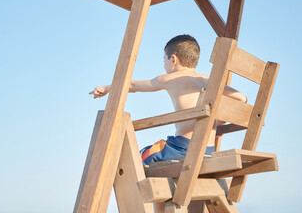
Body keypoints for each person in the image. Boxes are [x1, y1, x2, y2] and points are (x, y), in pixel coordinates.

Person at [89, 35, 247, 165]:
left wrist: (106, 88)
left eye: (163, 60)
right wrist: (217, 121)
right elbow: (241, 98)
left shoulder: (169, 78)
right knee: (161, 170)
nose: (164, 65)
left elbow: (131, 85)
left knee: (136, 160)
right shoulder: (209, 80)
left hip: (181, 147)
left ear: (173, 59)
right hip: (208, 150)